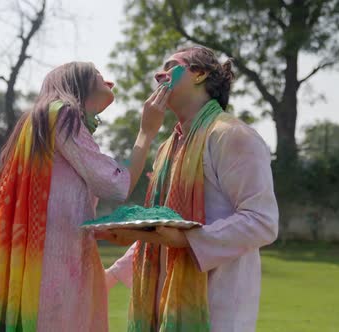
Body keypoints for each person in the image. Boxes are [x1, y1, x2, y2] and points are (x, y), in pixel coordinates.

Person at [0, 62, 169, 331]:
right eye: (96, 73)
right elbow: (116, 185)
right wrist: (146, 132)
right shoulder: (63, 114)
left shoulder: (38, 122)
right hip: (54, 266)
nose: (105, 78)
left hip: (36, 261)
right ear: (78, 83)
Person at [104, 46, 279, 332]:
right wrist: (110, 276)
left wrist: (186, 240)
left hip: (217, 309)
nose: (158, 75)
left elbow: (262, 222)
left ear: (199, 74)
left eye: (171, 66)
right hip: (163, 307)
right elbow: (162, 229)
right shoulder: (167, 148)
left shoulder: (232, 135)